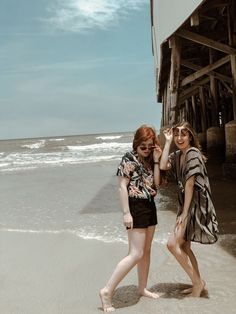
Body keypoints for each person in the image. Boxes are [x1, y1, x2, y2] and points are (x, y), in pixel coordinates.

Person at [99, 125, 162, 312]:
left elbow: (157, 184)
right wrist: (126, 213)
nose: (146, 149)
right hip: (135, 206)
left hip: (150, 205)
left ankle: (142, 288)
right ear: (136, 144)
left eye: (150, 146)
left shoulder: (150, 160)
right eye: (143, 146)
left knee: (147, 250)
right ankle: (106, 291)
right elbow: (121, 186)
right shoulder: (128, 158)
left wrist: (157, 159)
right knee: (135, 253)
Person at [160, 121, 219, 297]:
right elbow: (163, 166)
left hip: (195, 204)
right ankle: (198, 282)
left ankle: (197, 282)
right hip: (185, 203)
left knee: (172, 244)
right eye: (176, 134)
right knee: (184, 246)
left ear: (190, 136)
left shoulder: (192, 153)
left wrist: (184, 214)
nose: (179, 138)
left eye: (183, 134)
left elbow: (191, 184)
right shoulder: (178, 155)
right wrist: (168, 142)